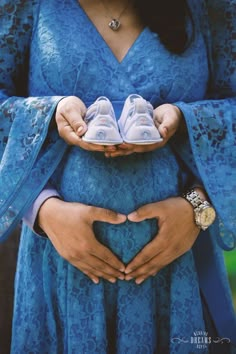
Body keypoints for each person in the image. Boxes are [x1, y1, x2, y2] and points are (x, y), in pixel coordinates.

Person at [0, 0, 235, 353]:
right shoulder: (25, 6)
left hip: (180, 273)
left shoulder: (211, 8)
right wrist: (43, 212)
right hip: (59, 273)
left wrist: (198, 209)